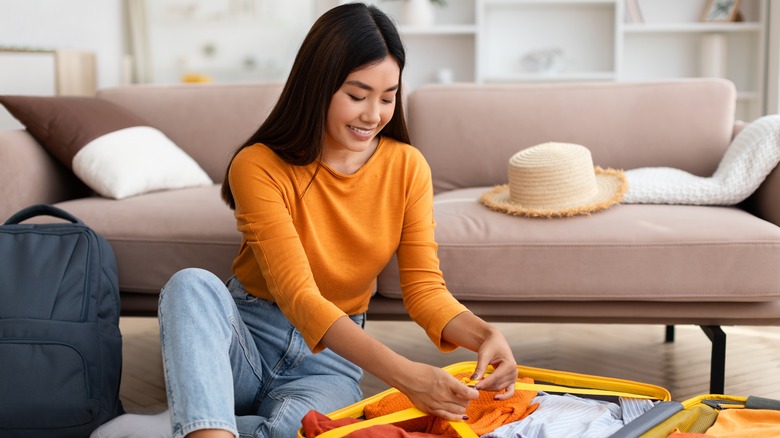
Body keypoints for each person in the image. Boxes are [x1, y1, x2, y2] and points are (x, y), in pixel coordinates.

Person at [111, 4, 517, 438]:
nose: (373, 115)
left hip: (327, 366)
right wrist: (406, 375)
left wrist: (484, 334)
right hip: (245, 340)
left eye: (388, 96)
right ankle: (206, 424)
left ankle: (196, 425)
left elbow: (423, 289)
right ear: (317, 86)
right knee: (189, 285)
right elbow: (299, 296)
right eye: (357, 96)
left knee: (301, 429)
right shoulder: (258, 164)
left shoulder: (408, 167)